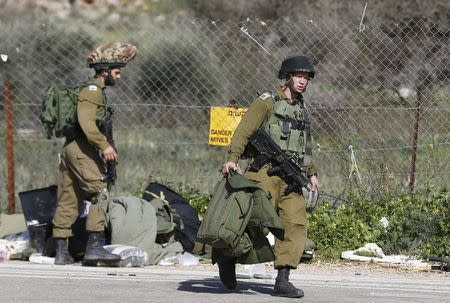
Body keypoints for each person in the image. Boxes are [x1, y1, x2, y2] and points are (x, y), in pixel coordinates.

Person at [221, 55, 319, 298]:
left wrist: (311, 171)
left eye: (306, 78)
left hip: (291, 175)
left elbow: (304, 143)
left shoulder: (301, 107)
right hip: (264, 171)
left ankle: (282, 281)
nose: (302, 82)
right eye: (298, 76)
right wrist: (232, 159)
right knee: (256, 222)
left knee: (294, 224)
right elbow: (244, 130)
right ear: (287, 77)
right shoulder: (267, 101)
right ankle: (228, 258)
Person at [51, 42, 137, 266]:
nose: (119, 77)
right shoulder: (92, 91)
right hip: (82, 148)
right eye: (117, 72)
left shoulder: (91, 89)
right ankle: (95, 247)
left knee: (70, 196)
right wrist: (104, 146)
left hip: (72, 149)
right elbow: (87, 122)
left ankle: (61, 251)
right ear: (105, 70)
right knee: (100, 192)